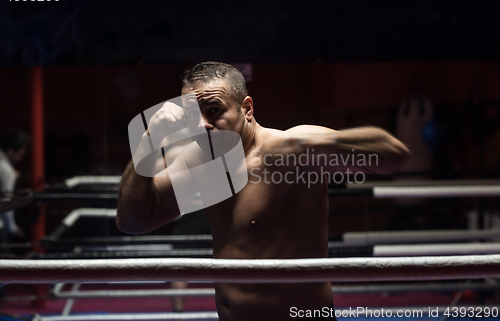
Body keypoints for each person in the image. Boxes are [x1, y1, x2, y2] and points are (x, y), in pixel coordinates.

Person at [116, 62, 411, 321]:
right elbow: (134, 222)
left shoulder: (287, 149)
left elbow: (393, 155)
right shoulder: (199, 160)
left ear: (247, 108)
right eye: (193, 116)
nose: (203, 125)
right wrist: (148, 141)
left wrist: (312, 145)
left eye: (214, 111)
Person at [0, 128, 30, 254]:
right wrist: (12, 228)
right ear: (10, 151)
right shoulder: (6, 170)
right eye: (20, 154)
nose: (20, 159)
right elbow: (5, 203)